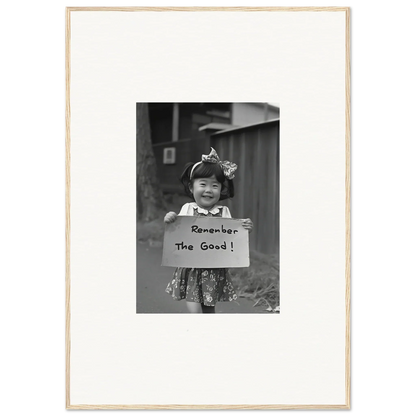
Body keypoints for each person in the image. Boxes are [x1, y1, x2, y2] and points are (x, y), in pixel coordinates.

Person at [164, 147, 253, 313]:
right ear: (191, 187)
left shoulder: (223, 212)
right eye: (203, 184)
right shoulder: (188, 208)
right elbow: (177, 229)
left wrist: (245, 229)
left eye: (215, 185)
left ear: (221, 189)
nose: (208, 190)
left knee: (209, 306)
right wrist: (170, 218)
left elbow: (232, 237)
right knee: (194, 302)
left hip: (214, 267)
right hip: (191, 266)